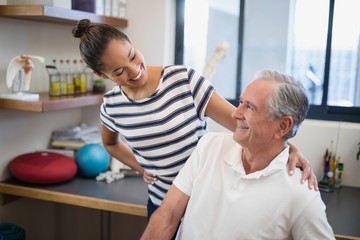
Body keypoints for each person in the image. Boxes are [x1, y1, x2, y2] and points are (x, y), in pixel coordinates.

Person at [72, 19, 318, 219]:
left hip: (206, 202)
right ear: (99, 74)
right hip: (160, 204)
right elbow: (111, 143)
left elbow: (243, 124)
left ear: (132, 44)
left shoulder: (184, 80)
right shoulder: (112, 106)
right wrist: (140, 167)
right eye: (118, 72)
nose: (135, 70)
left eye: (133, 55)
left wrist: (290, 149)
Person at [141, 70, 335, 240]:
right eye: (241, 102)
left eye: (250, 107)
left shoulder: (301, 193)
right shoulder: (210, 146)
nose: (235, 113)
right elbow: (167, 216)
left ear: (283, 125)